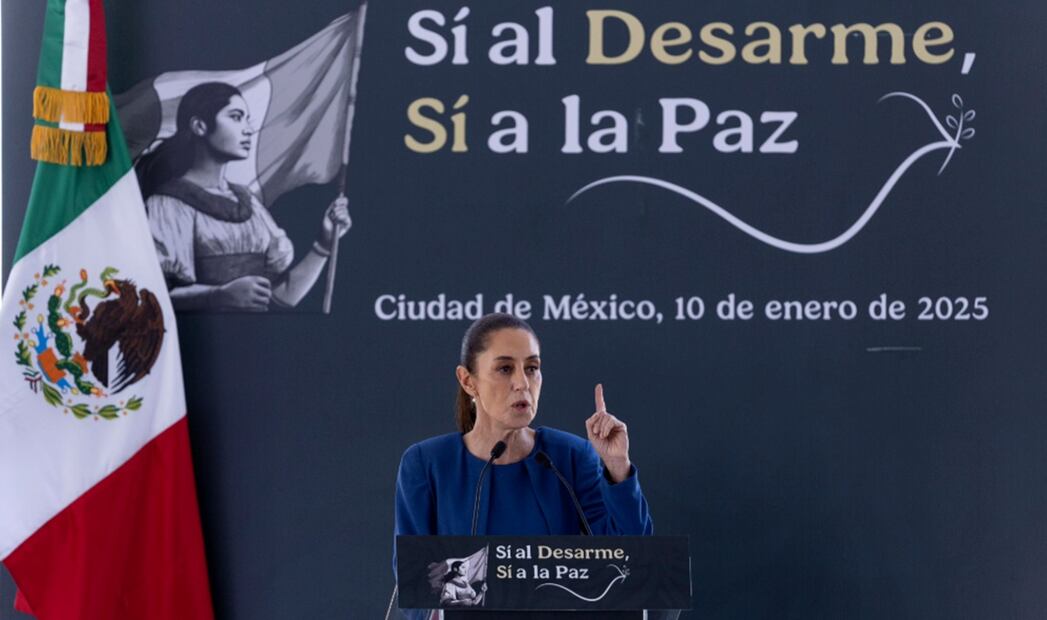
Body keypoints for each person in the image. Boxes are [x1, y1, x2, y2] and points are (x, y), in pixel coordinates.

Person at [391, 313, 653, 617]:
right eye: (505, 368)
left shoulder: (571, 456)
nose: (522, 383)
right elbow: (415, 584)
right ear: (468, 381)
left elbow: (633, 559)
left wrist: (617, 466)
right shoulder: (426, 463)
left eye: (532, 368)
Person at [135, 82, 351, 311]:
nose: (248, 129)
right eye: (236, 117)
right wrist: (217, 295)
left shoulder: (248, 201)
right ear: (200, 126)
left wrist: (323, 245)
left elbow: (282, 297)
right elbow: (152, 297)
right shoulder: (168, 205)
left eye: (247, 119)